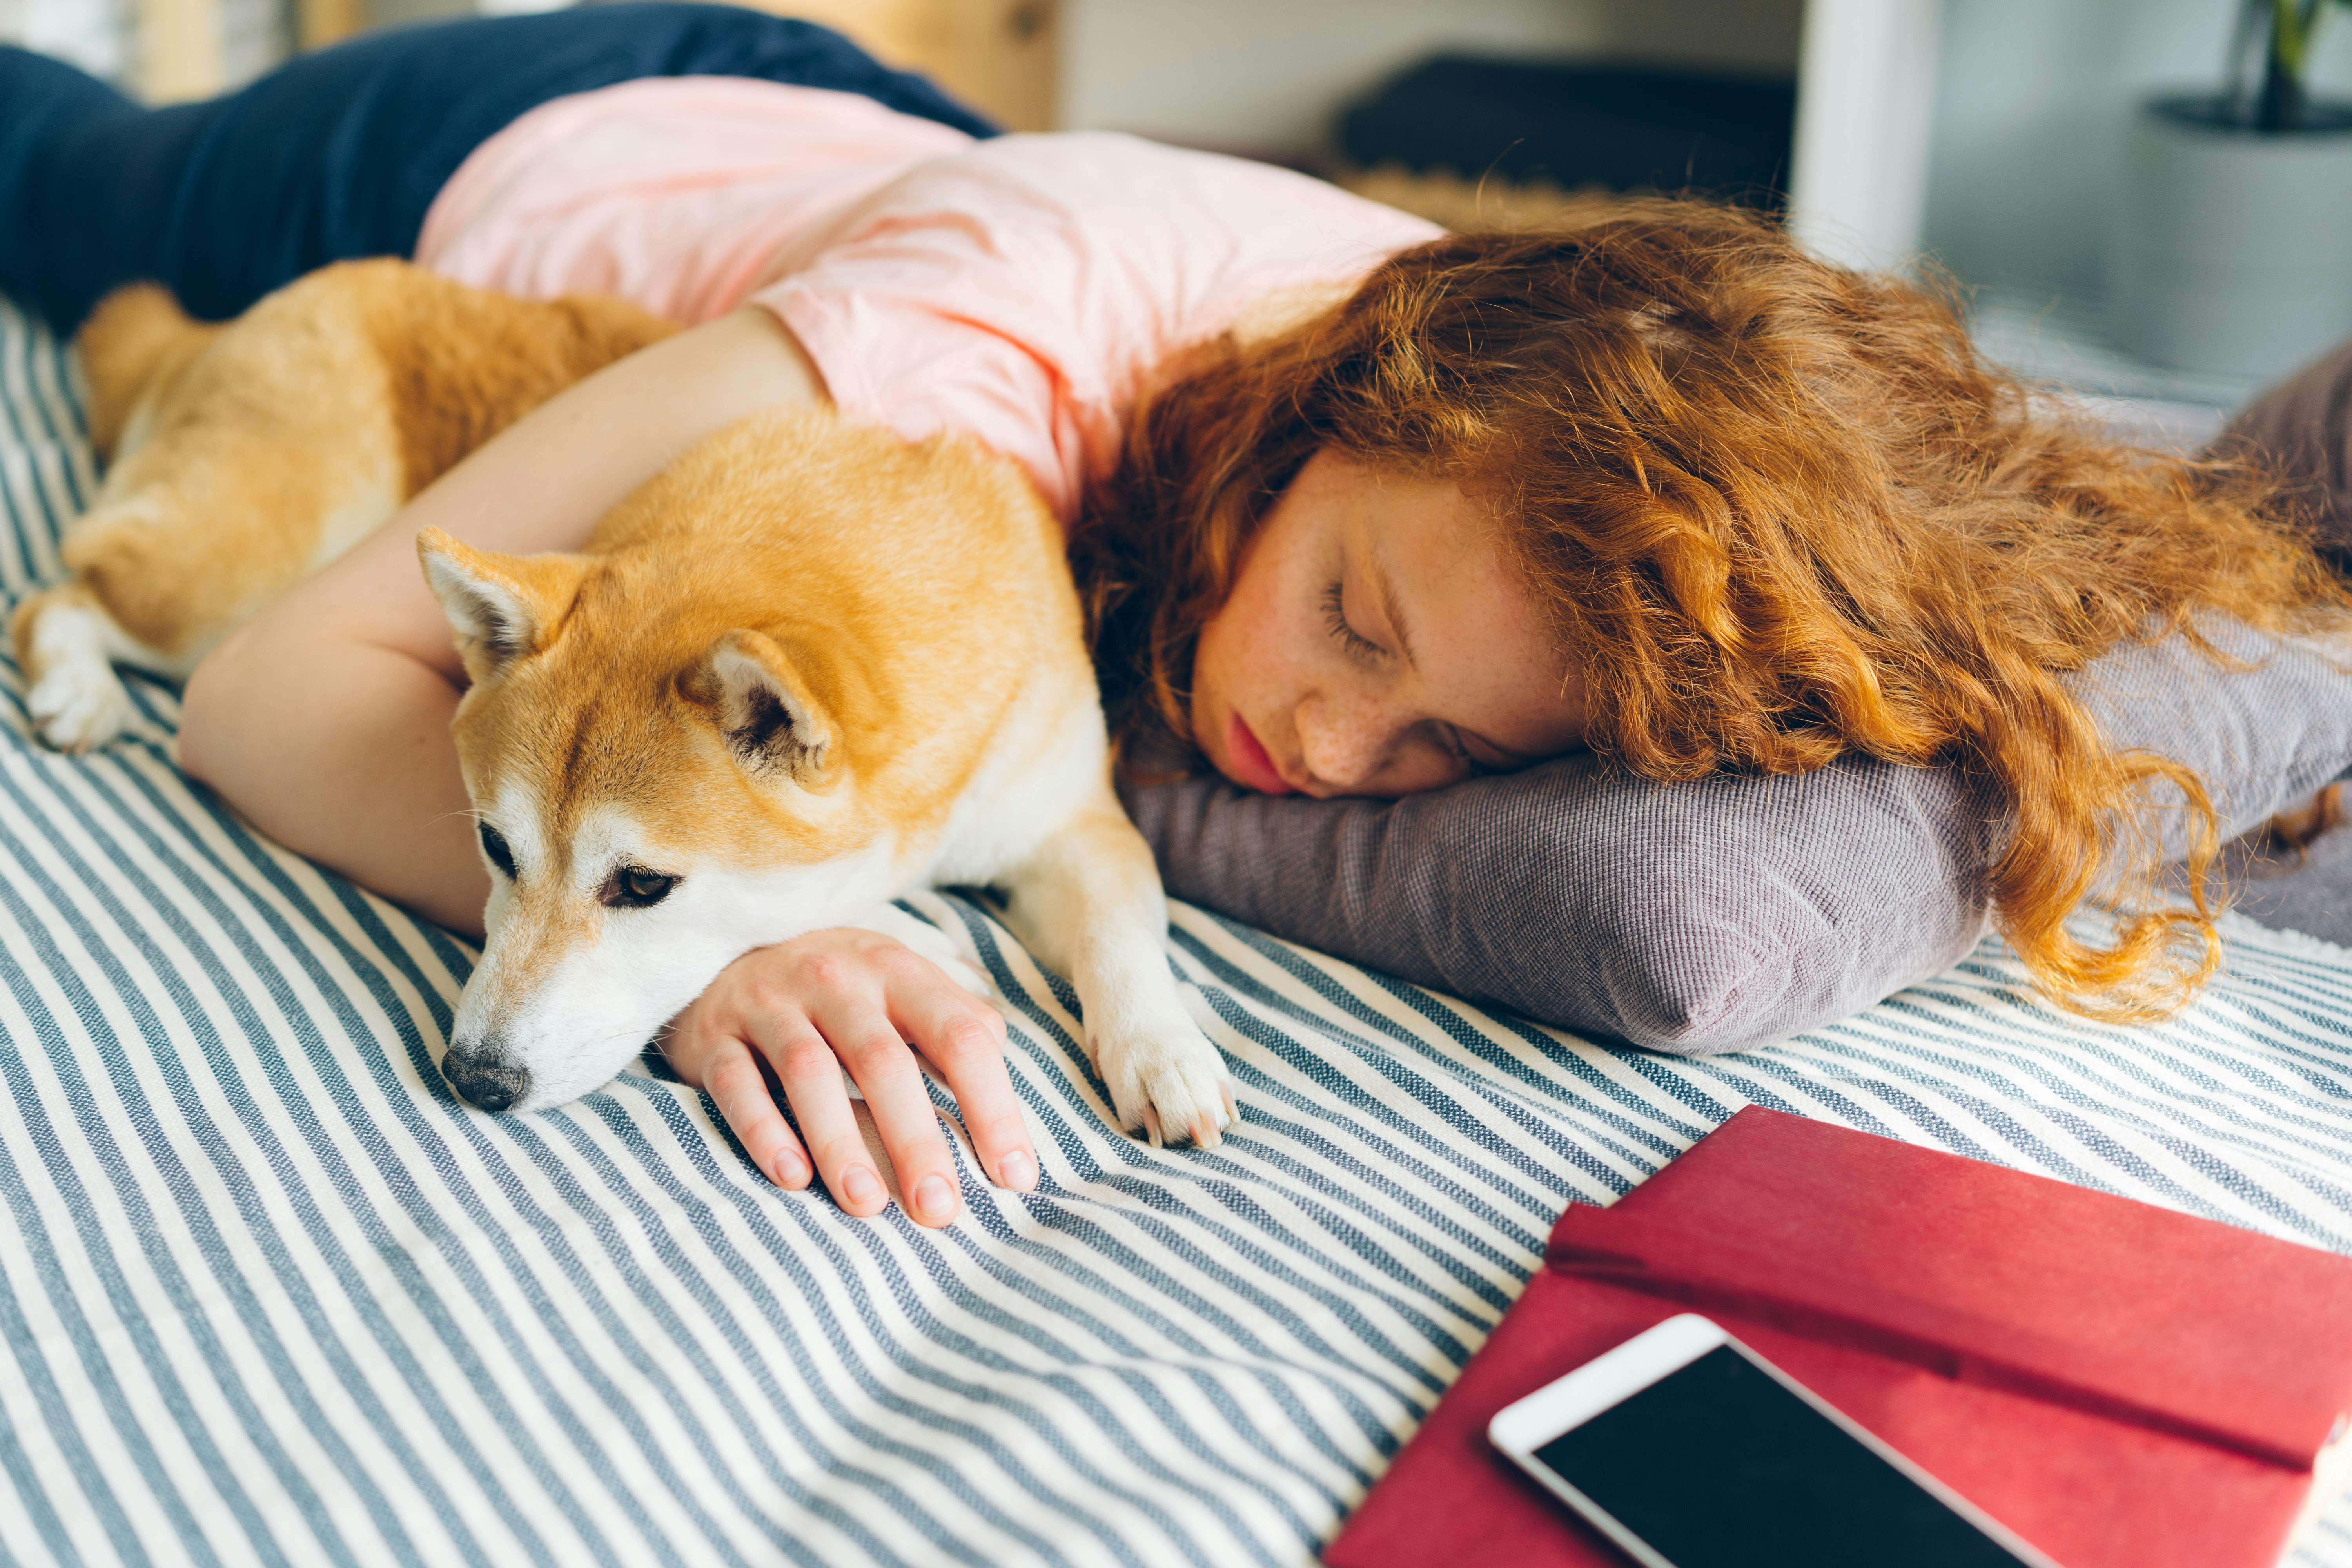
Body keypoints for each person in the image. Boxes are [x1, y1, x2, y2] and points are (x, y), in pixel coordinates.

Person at [6, 7, 2349, 1232]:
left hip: (872, 147)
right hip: (522, 136)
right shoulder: (968, 363)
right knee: (64, 171)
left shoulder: (1529, 449)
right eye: (1348, 614)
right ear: (1347, 394)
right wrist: (699, 939)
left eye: (1441, 750)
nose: (1327, 749)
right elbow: (271, 681)